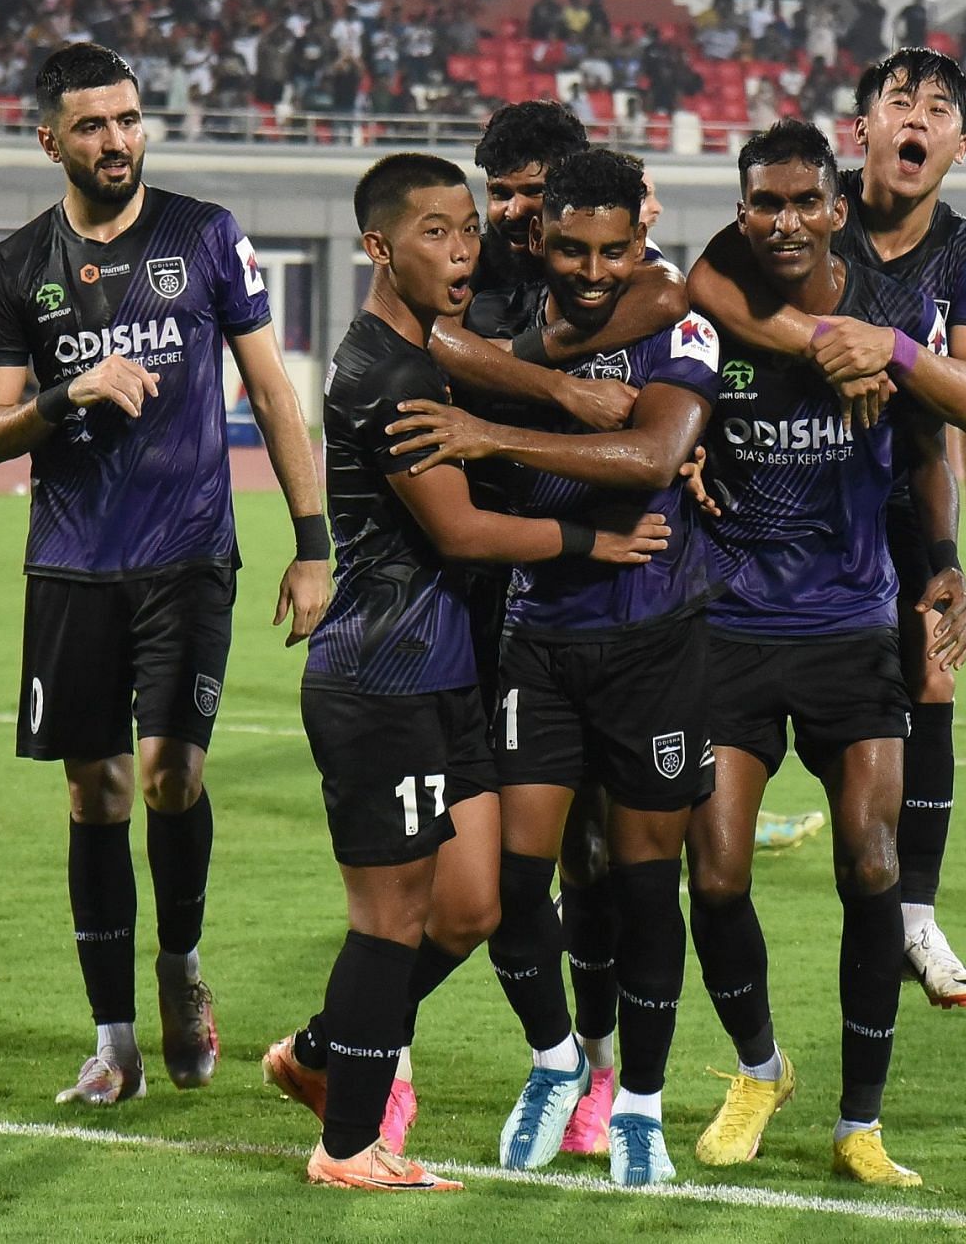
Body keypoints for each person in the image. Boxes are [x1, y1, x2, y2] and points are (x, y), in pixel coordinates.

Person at [266, 153, 666, 1191]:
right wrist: (590, 545)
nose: (461, 248)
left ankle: (320, 1054)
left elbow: (480, 357)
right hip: (381, 676)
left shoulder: (427, 351)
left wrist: (556, 398)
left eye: (465, 228)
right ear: (378, 248)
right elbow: (462, 529)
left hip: (448, 678)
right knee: (389, 920)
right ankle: (347, 1146)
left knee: (474, 907)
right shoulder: (384, 375)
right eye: (435, 232)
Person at [0, 43, 332, 1106]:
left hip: (188, 553)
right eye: (91, 125)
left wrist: (314, 545)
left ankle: (181, 967)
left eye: (128, 119)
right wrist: (66, 394)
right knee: (98, 792)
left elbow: (270, 392)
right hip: (74, 564)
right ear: (51, 141)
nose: (117, 140)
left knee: (173, 774)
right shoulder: (16, 264)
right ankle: (113, 1041)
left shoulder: (207, 235)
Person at [385, 149, 719, 1187]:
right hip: (539, 630)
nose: (590, 267)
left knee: (644, 885)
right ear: (541, 237)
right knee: (516, 881)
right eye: (571, 246)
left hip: (656, 634)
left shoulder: (682, 318)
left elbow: (655, 457)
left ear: (639, 240)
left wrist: (498, 430)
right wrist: (538, 396)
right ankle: (554, 1057)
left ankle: (643, 1109)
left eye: (611, 249)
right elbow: (425, 334)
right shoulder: (505, 322)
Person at [689, 47, 966, 1009]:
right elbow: (708, 289)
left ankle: (916, 917)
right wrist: (831, 343)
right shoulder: (799, 210)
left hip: (895, 490)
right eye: (898, 101)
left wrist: (955, 543)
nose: (918, 118)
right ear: (860, 129)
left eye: (939, 108)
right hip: (777, 491)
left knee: (934, 667)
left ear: (960, 140)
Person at [686, 120, 966, 1187]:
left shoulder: (888, 319)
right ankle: (760, 1069)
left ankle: (860, 1121)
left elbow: (935, 446)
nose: (789, 219)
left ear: (836, 205)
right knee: (713, 874)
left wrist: (939, 556)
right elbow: (673, 404)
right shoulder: (714, 306)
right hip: (731, 625)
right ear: (742, 209)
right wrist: (684, 459)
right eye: (767, 202)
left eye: (807, 199)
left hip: (853, 626)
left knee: (871, 861)